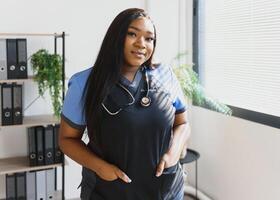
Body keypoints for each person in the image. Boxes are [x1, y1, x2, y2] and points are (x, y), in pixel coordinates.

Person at [59, 8, 190, 200]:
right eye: (132, 34)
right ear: (116, 36)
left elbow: (182, 123)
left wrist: (172, 155)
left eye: (149, 38)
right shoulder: (84, 83)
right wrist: (100, 167)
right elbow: (67, 140)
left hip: (165, 190)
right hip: (108, 191)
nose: (141, 44)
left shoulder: (165, 75)